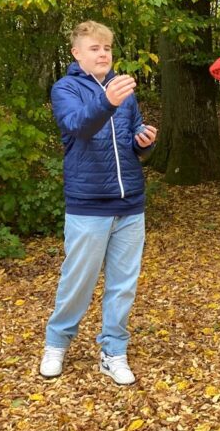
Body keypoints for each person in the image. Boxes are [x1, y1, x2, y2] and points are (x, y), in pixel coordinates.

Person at [38, 20, 158, 385]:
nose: (103, 54)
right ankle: (56, 344)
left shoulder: (124, 92)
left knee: (123, 285)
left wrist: (145, 141)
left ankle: (113, 351)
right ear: (77, 54)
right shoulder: (65, 89)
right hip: (88, 204)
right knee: (78, 281)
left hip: (130, 203)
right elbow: (78, 126)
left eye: (107, 48)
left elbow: (133, 140)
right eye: (95, 48)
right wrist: (107, 101)